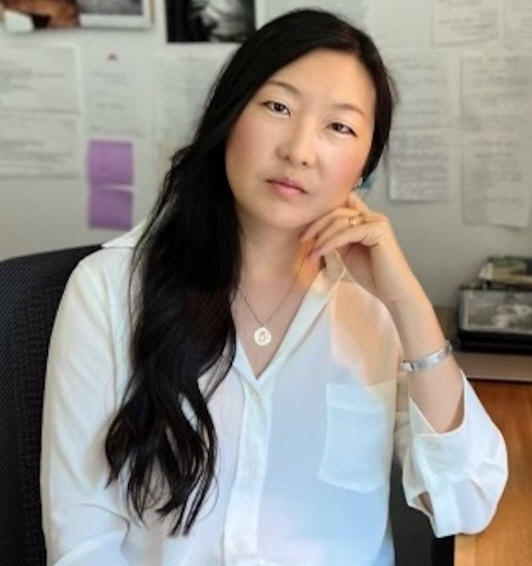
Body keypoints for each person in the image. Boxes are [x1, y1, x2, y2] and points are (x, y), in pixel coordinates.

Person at [40, 9, 508, 566]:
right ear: (228, 116)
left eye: (339, 127)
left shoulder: (376, 306)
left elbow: (466, 500)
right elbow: (83, 539)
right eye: (278, 107)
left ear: (364, 166)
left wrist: (407, 303)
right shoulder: (109, 290)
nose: (299, 151)